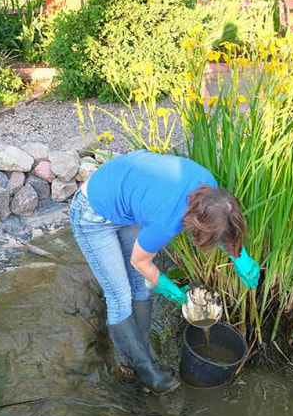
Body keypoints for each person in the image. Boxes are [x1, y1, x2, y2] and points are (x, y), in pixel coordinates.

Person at [71, 150, 260, 394]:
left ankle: (138, 355)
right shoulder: (167, 221)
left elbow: (220, 224)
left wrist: (239, 256)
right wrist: (173, 291)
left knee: (139, 287)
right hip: (92, 212)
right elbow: (140, 262)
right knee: (119, 294)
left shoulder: (210, 191)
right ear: (197, 226)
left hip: (124, 201)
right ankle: (146, 370)